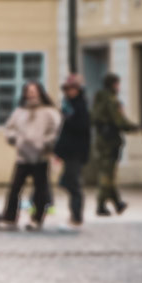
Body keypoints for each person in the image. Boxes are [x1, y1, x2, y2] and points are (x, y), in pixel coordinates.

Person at [0, 80, 62, 229]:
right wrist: (17, 139)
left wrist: (44, 143)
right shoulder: (20, 112)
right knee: (15, 188)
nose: (31, 94)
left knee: (40, 188)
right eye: (29, 91)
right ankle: (9, 218)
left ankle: (37, 219)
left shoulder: (49, 112)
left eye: (34, 91)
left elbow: (56, 131)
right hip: (23, 156)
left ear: (39, 92)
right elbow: (9, 128)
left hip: (40, 156)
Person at [90, 73, 138, 215]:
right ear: (113, 84)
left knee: (107, 172)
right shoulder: (111, 100)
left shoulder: (98, 98)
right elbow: (119, 120)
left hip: (100, 140)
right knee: (107, 174)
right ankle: (101, 205)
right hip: (110, 141)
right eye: (118, 84)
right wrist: (134, 127)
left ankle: (117, 203)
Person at [54, 74, 91, 227]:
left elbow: (82, 128)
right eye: (67, 89)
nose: (69, 92)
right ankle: (74, 213)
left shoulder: (80, 106)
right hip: (68, 150)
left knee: (72, 183)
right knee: (68, 182)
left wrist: (68, 119)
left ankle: (77, 215)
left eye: (72, 89)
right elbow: (63, 131)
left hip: (76, 150)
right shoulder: (68, 104)